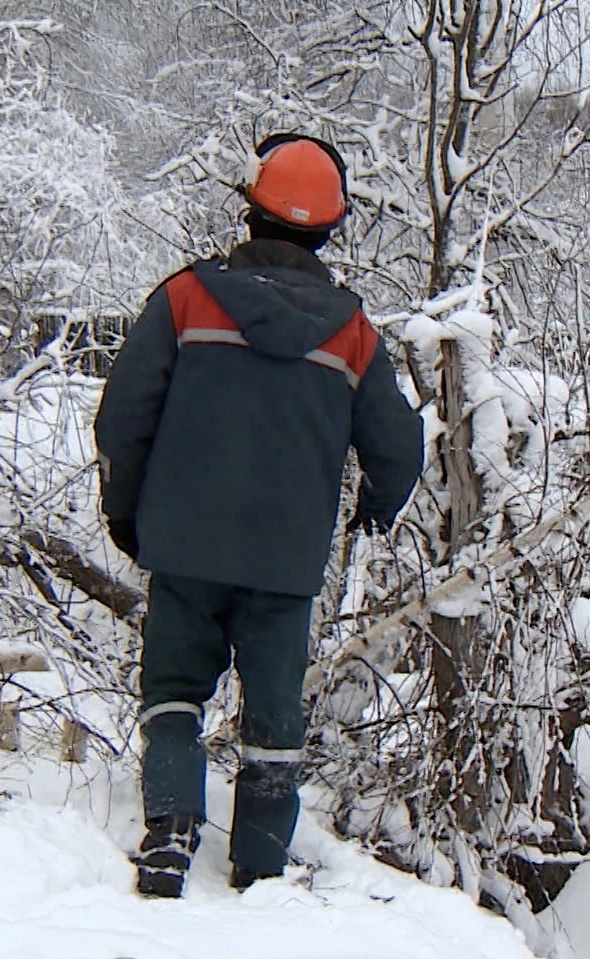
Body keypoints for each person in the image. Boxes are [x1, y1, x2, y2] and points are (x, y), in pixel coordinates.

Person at [93, 133, 424, 898]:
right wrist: (372, 508)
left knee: (174, 690)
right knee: (274, 716)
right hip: (284, 561)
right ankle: (262, 869)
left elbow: (122, 420)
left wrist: (129, 514)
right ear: (331, 227)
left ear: (249, 208)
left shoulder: (185, 300)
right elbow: (399, 448)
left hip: (184, 543)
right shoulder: (353, 332)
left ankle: (170, 830)